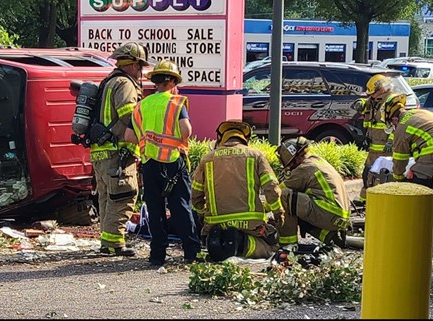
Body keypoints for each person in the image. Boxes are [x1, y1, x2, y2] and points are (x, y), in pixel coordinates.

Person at [124, 59, 201, 267]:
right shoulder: (176, 103)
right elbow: (186, 131)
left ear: (155, 82)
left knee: (155, 209)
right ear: (173, 82)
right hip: (173, 162)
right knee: (181, 207)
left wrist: (148, 140)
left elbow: (129, 135)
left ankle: (157, 255)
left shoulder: (141, 106)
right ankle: (191, 252)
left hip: (149, 163)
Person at [190, 120, 284, 261]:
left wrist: (204, 214)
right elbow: (271, 187)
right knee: (272, 246)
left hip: (215, 224)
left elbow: (196, 195)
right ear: (245, 138)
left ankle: (221, 244)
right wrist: (278, 213)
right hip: (251, 224)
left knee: (214, 240)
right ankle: (241, 243)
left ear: (221, 138)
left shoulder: (207, 159)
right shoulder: (256, 155)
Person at [91, 42, 149, 257]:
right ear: (134, 65)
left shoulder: (108, 82)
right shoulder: (124, 83)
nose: (141, 71)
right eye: (140, 66)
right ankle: (114, 244)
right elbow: (129, 115)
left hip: (101, 152)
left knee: (107, 198)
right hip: (118, 152)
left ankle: (108, 243)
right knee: (124, 196)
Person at [275, 137, 351, 249]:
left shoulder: (303, 168)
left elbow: (277, 193)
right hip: (339, 217)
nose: (290, 170)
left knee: (286, 196)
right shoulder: (317, 160)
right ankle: (329, 236)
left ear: (296, 160)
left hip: (329, 214)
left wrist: (259, 211)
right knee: (298, 203)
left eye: (290, 166)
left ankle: (288, 244)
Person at [354, 74, 406, 207]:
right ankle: (364, 200)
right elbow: (366, 110)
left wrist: (391, 141)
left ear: (382, 89)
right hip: (374, 146)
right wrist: (359, 103)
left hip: (387, 149)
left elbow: (399, 124)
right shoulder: (374, 100)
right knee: (367, 174)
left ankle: (382, 203)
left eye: (373, 93)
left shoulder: (393, 102)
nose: (371, 96)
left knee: (382, 177)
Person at [387, 100, 433, 188]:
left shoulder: (401, 127)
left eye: (391, 123)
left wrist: (399, 179)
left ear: (394, 119)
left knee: (418, 181)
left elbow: (400, 159)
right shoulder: (419, 112)